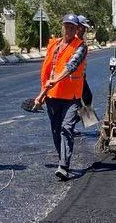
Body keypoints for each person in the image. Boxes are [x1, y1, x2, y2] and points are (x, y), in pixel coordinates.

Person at [36, 14, 88, 180]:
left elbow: (71, 66)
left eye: (73, 27)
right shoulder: (54, 45)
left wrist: (56, 79)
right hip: (53, 94)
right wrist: (42, 94)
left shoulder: (80, 46)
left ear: (77, 29)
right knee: (56, 129)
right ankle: (62, 157)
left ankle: (64, 165)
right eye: (67, 26)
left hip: (72, 95)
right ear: (62, 27)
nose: (69, 30)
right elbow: (47, 71)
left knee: (67, 127)